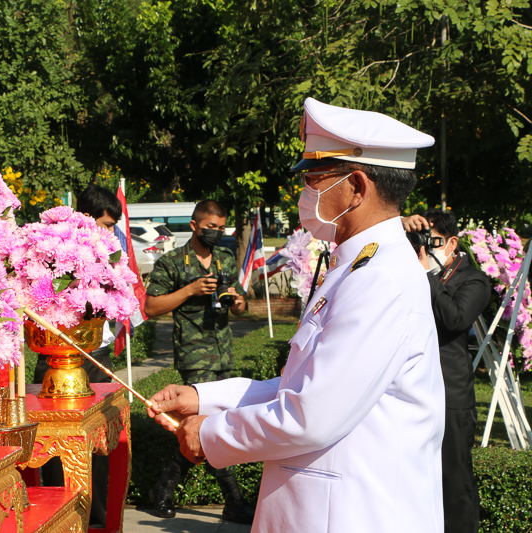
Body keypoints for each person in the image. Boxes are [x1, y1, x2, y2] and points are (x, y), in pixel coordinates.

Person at [147, 98, 446, 533]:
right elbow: (304, 385)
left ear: (357, 187)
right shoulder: (358, 266)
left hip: (356, 515)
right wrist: (202, 397)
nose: (304, 193)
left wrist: (210, 433)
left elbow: (310, 414)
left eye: (314, 179)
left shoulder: (381, 278)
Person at [143, 199, 255, 524]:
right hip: (194, 353)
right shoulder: (172, 262)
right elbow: (151, 307)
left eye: (221, 228)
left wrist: (237, 303)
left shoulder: (224, 259)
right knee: (212, 426)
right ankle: (234, 501)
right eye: (211, 227)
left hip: (223, 353)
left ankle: (164, 486)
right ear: (194, 226)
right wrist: (190, 290)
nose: (216, 233)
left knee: (212, 424)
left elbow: (240, 308)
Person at [32, 184, 126, 529]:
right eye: (104, 224)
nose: (109, 232)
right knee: (56, 446)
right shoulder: (56, 253)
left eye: (113, 225)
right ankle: (60, 519)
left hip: (97, 358)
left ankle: (97, 520)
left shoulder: (111, 254)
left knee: (97, 445)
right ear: (85, 219)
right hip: (56, 358)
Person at [403, 209, 490, 533]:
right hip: (412, 391)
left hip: (450, 396)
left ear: (452, 243)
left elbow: (454, 319)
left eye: (433, 241)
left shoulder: (474, 280)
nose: (425, 247)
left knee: (455, 483)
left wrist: (426, 275)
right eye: (421, 240)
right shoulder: (410, 272)